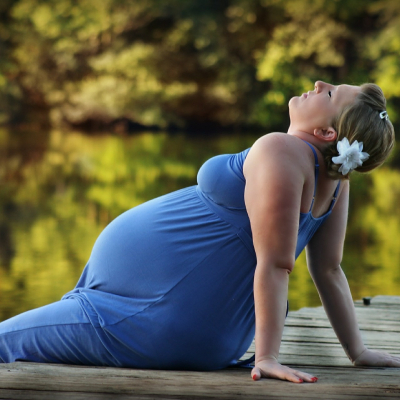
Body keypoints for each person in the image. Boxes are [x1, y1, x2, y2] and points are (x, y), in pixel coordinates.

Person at [0, 81, 399, 384]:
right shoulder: (336, 178)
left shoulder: (282, 150)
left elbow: (276, 264)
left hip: (144, 316)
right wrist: (357, 350)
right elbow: (329, 271)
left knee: (4, 342)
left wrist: (266, 358)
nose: (318, 85)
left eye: (329, 95)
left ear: (329, 135)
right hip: (168, 317)